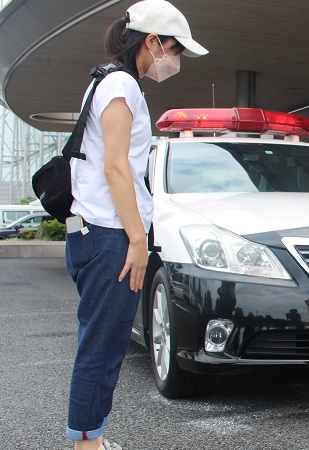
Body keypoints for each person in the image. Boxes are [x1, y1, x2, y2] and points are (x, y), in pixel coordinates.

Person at [64, 2, 207, 449]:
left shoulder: (105, 81)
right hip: (109, 235)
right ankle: (87, 443)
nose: (176, 59)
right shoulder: (121, 84)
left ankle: (93, 438)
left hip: (97, 231)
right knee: (103, 347)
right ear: (152, 42)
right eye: (175, 49)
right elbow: (117, 170)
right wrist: (136, 240)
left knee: (103, 342)